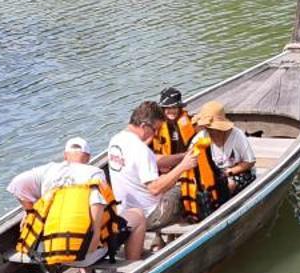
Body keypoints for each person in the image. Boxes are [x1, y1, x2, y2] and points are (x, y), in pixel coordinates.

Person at [8, 136, 119, 267]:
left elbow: (16, 185)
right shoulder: (94, 173)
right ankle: (89, 271)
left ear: (65, 156)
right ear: (88, 158)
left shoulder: (47, 170)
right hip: (83, 256)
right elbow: (96, 206)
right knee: (122, 222)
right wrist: (95, 237)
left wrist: (29, 212)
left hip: (47, 254)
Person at [106, 102, 197, 261]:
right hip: (152, 214)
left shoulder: (116, 140)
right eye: (155, 129)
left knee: (171, 181)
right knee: (185, 187)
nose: (155, 135)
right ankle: (168, 238)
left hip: (126, 213)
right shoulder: (140, 150)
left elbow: (155, 160)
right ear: (143, 125)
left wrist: (182, 156)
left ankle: (159, 240)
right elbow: (154, 189)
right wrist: (183, 166)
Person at [196, 101, 256, 192]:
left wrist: (228, 172)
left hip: (238, 172)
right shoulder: (201, 136)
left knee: (228, 185)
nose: (210, 131)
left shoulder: (237, 135)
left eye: (212, 128)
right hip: (213, 175)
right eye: (207, 128)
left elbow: (250, 162)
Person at [151, 87, 197, 156]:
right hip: (165, 163)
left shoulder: (191, 121)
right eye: (168, 108)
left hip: (187, 160)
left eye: (174, 107)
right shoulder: (156, 126)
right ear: (163, 109)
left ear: (179, 108)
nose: (171, 111)